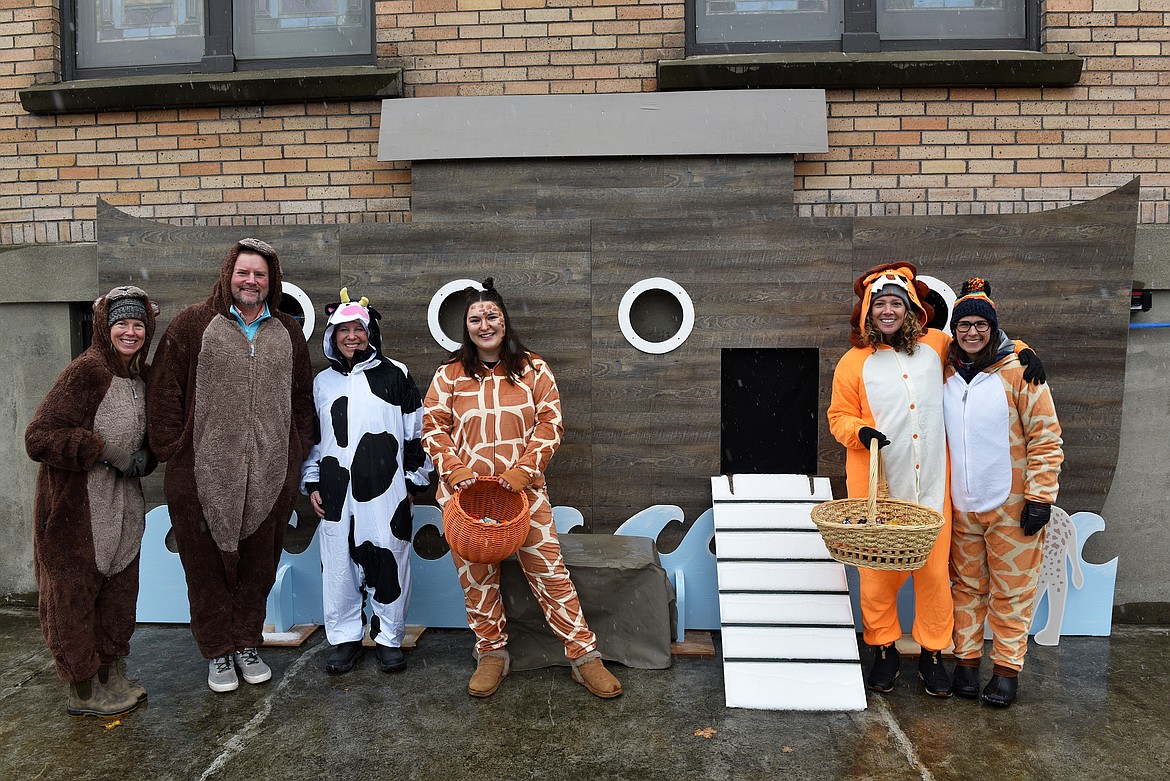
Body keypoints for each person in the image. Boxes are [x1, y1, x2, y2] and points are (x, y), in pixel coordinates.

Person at [422, 278, 622, 699]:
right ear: (466, 327)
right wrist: (454, 469)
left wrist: (526, 470)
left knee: (551, 574)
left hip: (525, 497)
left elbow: (550, 423)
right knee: (477, 581)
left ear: (504, 320)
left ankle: (584, 657)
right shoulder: (449, 374)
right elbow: (432, 428)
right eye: (475, 319)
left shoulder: (534, 368)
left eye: (491, 316)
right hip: (466, 502)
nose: (484, 325)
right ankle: (492, 654)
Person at [147, 238, 314, 693]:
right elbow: (164, 389)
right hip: (202, 472)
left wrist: (297, 451)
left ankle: (246, 643)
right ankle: (218, 652)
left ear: (271, 280)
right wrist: (171, 448)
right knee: (205, 570)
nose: (251, 281)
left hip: (269, 473)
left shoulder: (287, 331)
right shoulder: (193, 324)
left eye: (260, 274)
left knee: (259, 566)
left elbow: (302, 398)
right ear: (228, 275)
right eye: (244, 272)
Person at [25, 286, 159, 717]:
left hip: (123, 507)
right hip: (77, 508)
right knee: (73, 598)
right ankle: (82, 690)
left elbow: (146, 437)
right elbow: (39, 437)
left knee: (117, 593)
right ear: (105, 326)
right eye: (122, 323)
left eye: (138, 324)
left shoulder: (140, 376)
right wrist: (101, 449)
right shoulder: (86, 372)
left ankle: (110, 673)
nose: (131, 331)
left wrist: (147, 456)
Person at [828, 262, 957, 698]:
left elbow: (984, 347)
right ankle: (882, 649)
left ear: (912, 308)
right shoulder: (853, 363)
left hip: (933, 489)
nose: (888, 310)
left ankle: (933, 654)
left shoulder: (938, 346)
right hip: (879, 491)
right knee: (877, 576)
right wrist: (859, 432)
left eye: (895, 303)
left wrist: (1022, 349)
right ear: (868, 312)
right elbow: (838, 416)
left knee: (935, 576)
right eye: (879, 303)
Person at [942, 278, 1063, 708]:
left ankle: (1008, 670)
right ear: (954, 330)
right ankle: (968, 664)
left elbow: (1046, 437)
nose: (971, 332)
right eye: (963, 325)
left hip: (1012, 506)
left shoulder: (1019, 372)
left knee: (1013, 590)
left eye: (980, 325)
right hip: (962, 506)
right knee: (966, 588)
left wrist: (1041, 496)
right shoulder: (946, 368)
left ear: (993, 328)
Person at [301, 288, 434, 675]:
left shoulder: (397, 374)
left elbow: (416, 431)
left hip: (386, 490)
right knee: (339, 564)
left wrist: (413, 480)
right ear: (332, 336)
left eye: (358, 328)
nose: (351, 336)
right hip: (337, 491)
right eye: (343, 330)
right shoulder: (321, 383)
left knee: (390, 558)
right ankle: (345, 639)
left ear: (370, 331)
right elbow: (313, 437)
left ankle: (389, 639)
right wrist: (313, 482)